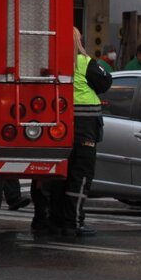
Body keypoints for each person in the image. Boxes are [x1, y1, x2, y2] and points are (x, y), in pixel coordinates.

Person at [47, 27, 112, 237]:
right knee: (81, 176)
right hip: (84, 128)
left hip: (58, 125)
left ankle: (54, 221)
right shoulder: (84, 63)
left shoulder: (51, 61)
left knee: (59, 175)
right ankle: (74, 221)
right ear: (77, 41)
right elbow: (105, 82)